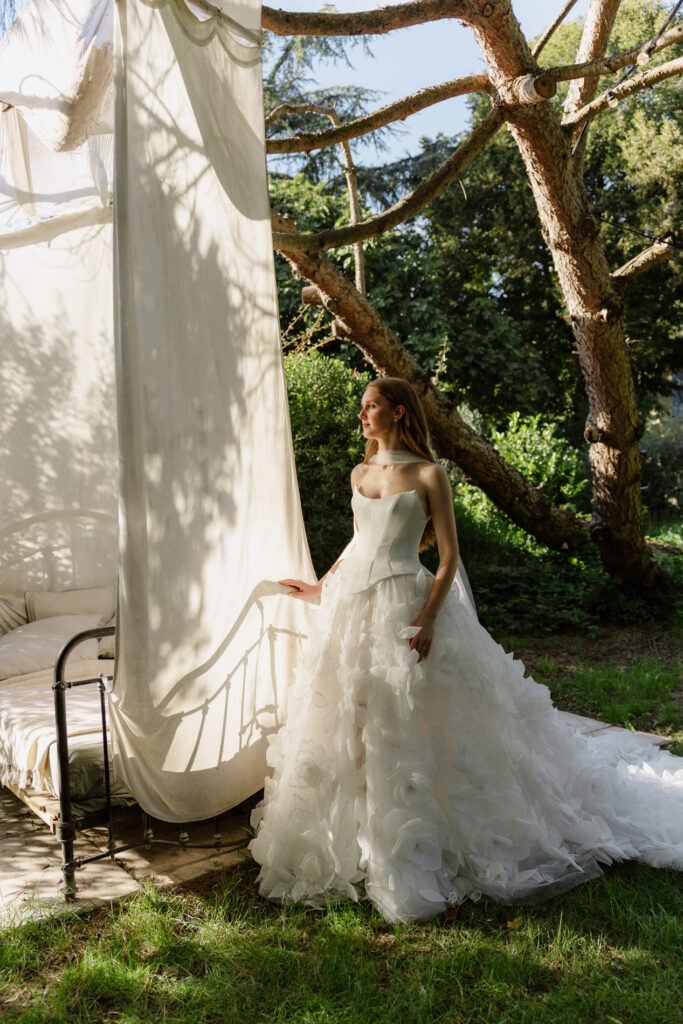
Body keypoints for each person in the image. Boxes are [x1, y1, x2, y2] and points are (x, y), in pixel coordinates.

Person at [248, 377, 683, 923]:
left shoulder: (430, 474)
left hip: (407, 601)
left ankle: (425, 839)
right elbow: (358, 542)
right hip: (352, 607)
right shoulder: (359, 473)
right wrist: (319, 588)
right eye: (362, 407)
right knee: (353, 718)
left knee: (417, 721)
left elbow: (449, 557)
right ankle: (363, 839)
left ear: (398, 412)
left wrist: (427, 618)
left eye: (371, 406)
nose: (362, 415)